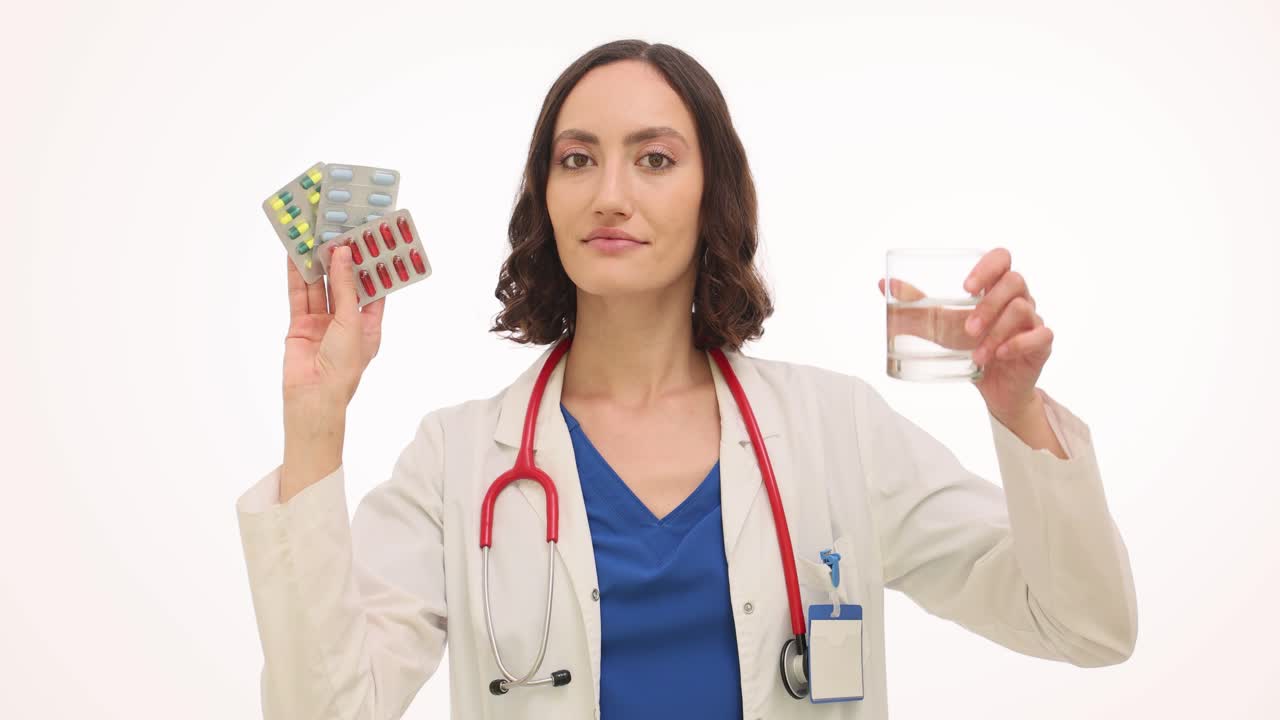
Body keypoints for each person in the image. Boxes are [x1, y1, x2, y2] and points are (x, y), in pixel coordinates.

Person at [236, 39, 1137, 720]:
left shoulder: (835, 430)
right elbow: (325, 710)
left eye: (656, 158)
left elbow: (1085, 627)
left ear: (715, 195)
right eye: (577, 158)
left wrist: (1016, 410)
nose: (609, 194)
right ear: (545, 199)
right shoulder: (459, 460)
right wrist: (315, 423)